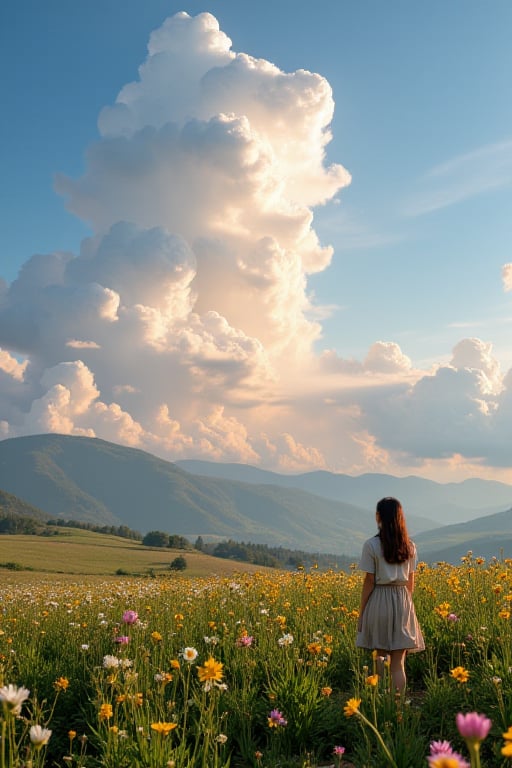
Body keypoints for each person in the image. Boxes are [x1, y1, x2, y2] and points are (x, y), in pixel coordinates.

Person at [356, 496, 424, 693]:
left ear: (379, 517)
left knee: (380, 656)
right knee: (398, 663)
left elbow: (369, 581)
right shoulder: (410, 546)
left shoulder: (371, 545)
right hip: (403, 600)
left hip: (380, 600)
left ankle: (380, 701)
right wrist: (407, 607)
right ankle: (398, 707)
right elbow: (411, 581)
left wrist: (362, 613)